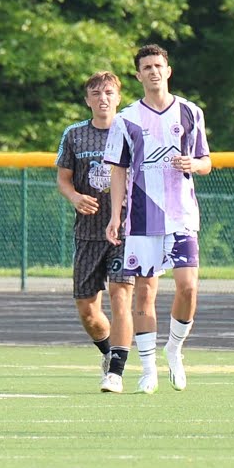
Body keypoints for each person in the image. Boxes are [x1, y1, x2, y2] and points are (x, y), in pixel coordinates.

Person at [103, 43, 212, 395]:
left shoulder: (190, 112)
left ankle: (174, 350)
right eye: (146, 67)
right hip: (142, 217)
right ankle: (148, 368)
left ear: (168, 70)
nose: (153, 71)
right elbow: (118, 170)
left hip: (182, 215)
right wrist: (116, 215)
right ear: (138, 75)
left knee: (188, 286)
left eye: (158, 66)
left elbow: (206, 162)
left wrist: (194, 164)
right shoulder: (126, 119)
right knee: (145, 292)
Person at [55, 70, 135, 390]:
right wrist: (74, 197)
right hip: (88, 232)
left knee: (120, 296)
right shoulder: (75, 135)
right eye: (97, 93)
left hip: (124, 230)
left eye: (109, 93)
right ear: (87, 100)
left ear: (118, 98)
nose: (103, 98)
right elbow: (63, 179)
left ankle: (116, 371)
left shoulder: (130, 132)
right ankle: (108, 351)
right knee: (88, 311)